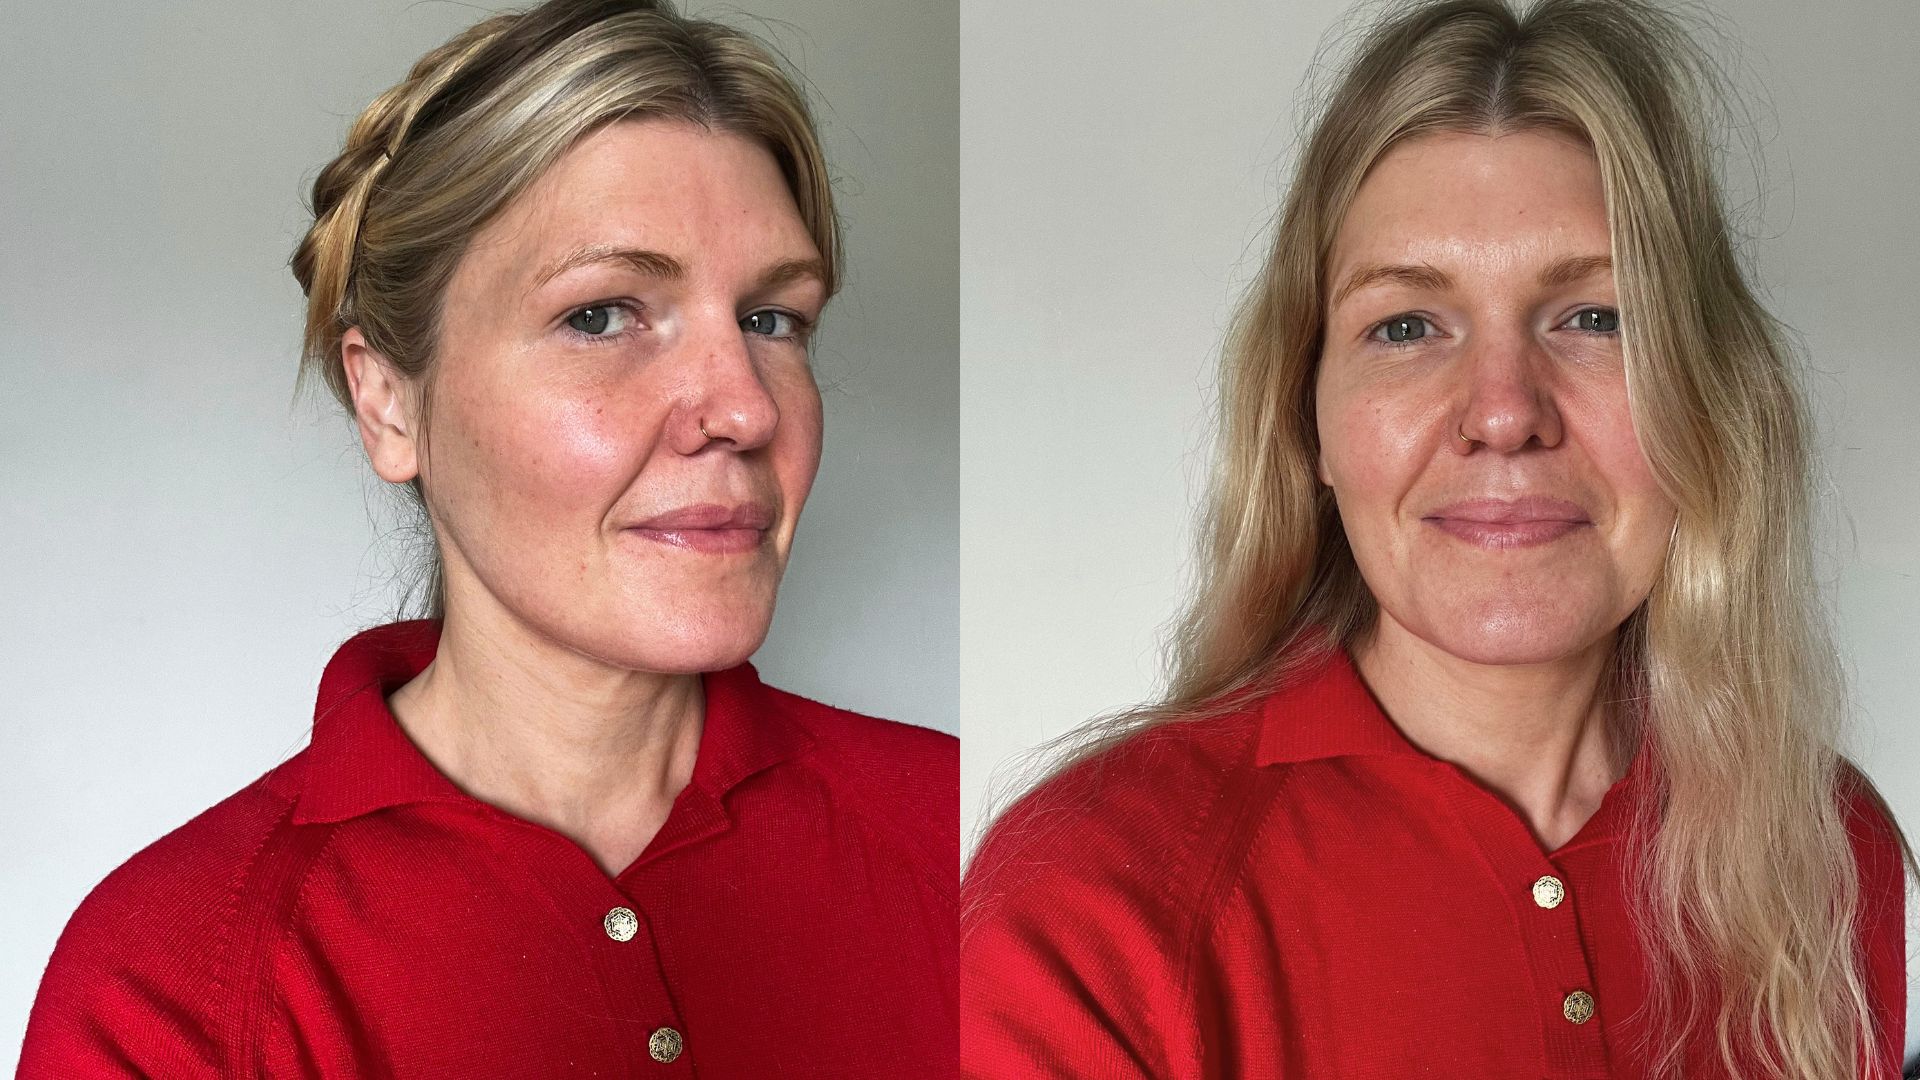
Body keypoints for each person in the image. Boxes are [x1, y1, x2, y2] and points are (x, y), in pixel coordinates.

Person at [961, 1, 1908, 1077]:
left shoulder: (1828, 847)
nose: (1504, 413)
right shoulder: (1085, 905)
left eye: (1597, 317)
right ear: (1304, 418)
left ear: (1713, 399)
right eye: (1406, 326)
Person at [20, 1, 956, 1076]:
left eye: (771, 319)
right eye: (602, 314)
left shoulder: (957, 840)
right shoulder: (174, 981)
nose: (745, 408)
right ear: (388, 405)